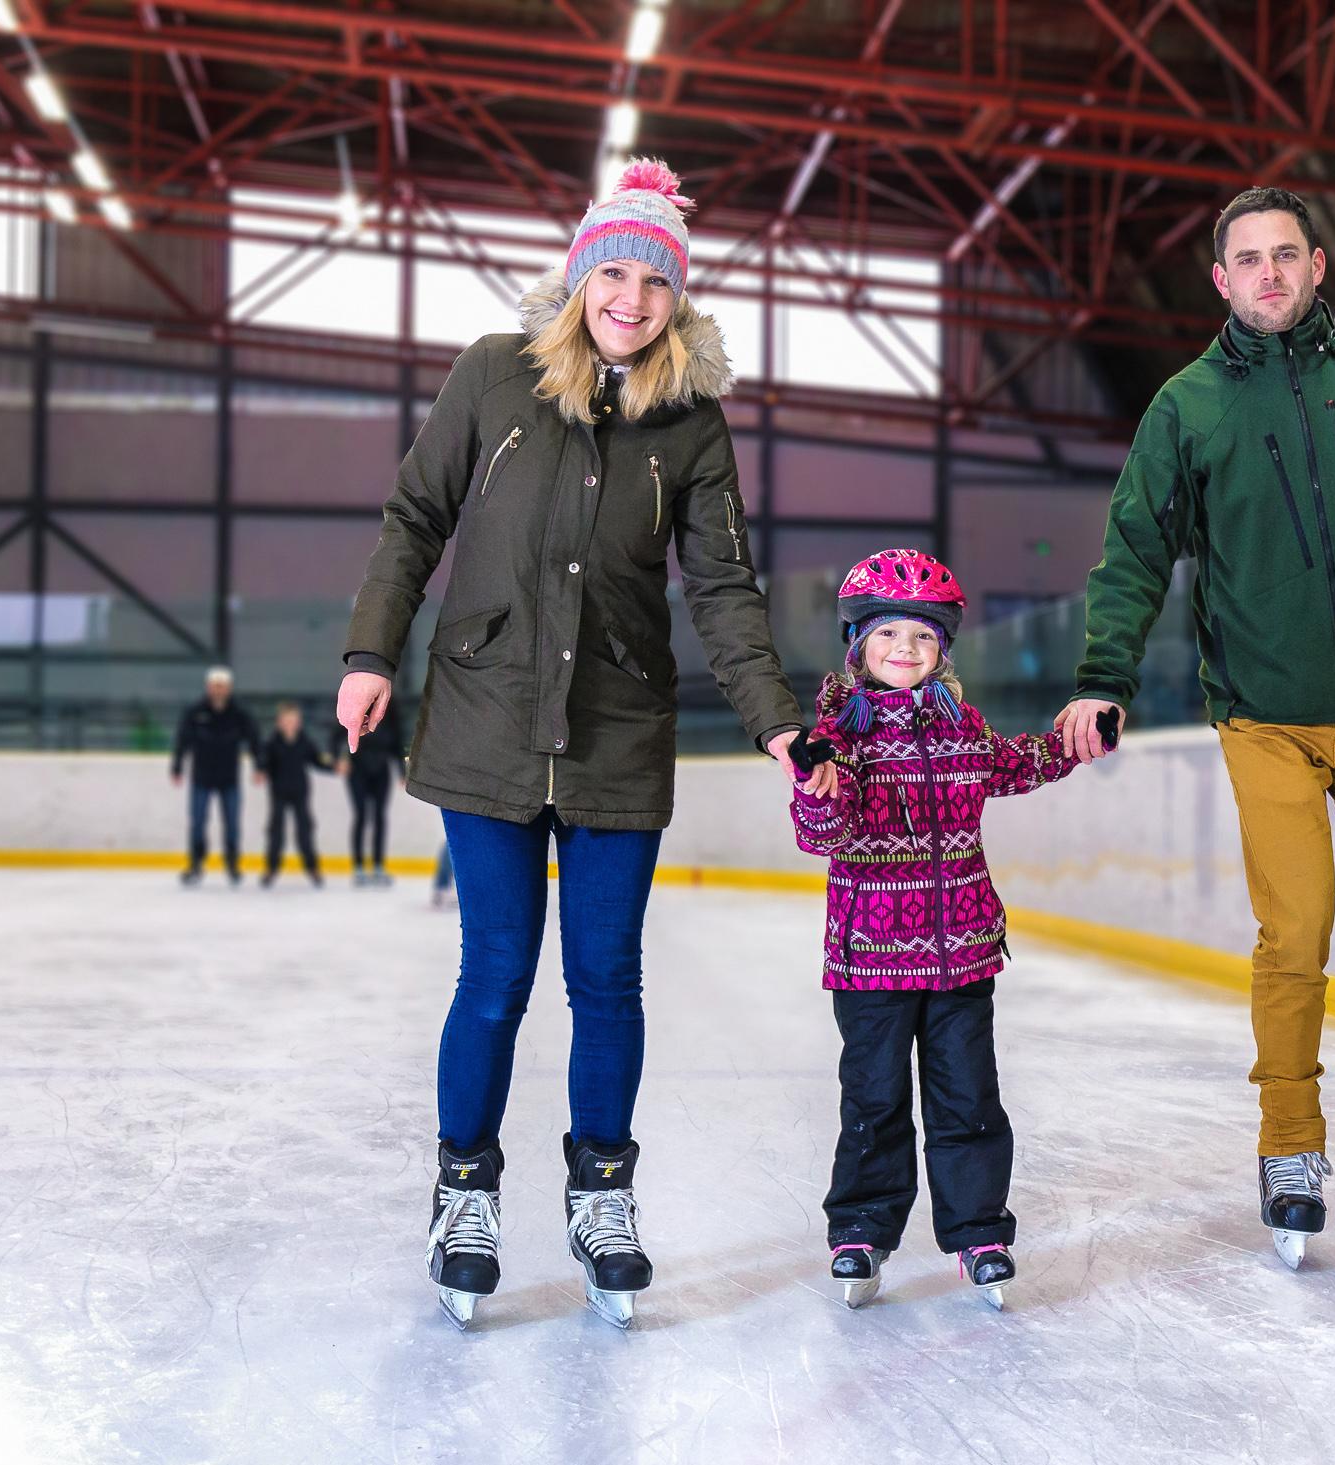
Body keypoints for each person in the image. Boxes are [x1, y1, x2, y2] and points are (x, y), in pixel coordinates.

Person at [333, 158, 831, 1331]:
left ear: (676, 299)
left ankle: (603, 1192)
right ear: (578, 278)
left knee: (607, 980)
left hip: (615, 727)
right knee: (496, 972)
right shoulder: (491, 380)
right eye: (611, 272)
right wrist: (369, 654)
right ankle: (465, 1191)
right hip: (487, 715)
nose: (629, 297)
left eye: (651, 282)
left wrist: (772, 714)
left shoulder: (691, 421)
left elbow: (721, 583)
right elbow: (415, 519)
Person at [1056, 186, 1335, 1267]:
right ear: (1220, 281)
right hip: (1263, 716)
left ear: (1317, 266)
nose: (1267, 274)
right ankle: (1290, 1147)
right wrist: (1100, 675)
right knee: (1295, 933)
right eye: (1246, 260)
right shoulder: (1189, 405)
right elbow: (1133, 546)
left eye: (1284, 255)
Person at [790, 550, 1101, 1311]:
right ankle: (862, 1228)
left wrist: (1079, 737)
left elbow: (1017, 762)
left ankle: (978, 1231)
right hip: (869, 963)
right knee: (874, 1099)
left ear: (943, 651)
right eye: (888, 632)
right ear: (857, 645)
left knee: (968, 1098)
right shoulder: (838, 738)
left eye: (923, 637)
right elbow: (817, 831)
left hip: (963, 955)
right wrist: (814, 779)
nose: (905, 648)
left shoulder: (963, 728)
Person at [170, 665, 259, 887]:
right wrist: (177, 767)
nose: (218, 690)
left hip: (229, 778)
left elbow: (254, 740)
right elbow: (183, 741)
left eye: (222, 686)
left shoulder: (239, 713)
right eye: (215, 686)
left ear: (228, 688)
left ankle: (232, 865)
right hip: (202, 777)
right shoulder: (195, 712)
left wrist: (260, 766)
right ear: (208, 687)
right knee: (198, 823)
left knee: (231, 824)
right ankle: (196, 865)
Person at [258, 700, 337, 889]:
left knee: (304, 831)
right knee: (276, 832)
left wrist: (334, 767)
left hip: (300, 792)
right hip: (279, 793)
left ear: (299, 722)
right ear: (279, 722)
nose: (290, 724)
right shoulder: (272, 742)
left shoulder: (304, 742)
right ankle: (271, 869)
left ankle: (312, 868)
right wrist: (260, 770)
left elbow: (316, 761)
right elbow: (264, 761)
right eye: (286, 720)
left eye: (294, 720)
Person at [333, 707, 403, 885]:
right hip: (358, 770)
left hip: (381, 770)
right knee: (361, 815)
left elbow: (396, 741)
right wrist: (339, 758)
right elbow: (337, 736)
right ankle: (359, 866)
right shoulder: (355, 705)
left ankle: (378, 865)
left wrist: (402, 771)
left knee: (380, 816)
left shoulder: (389, 709)